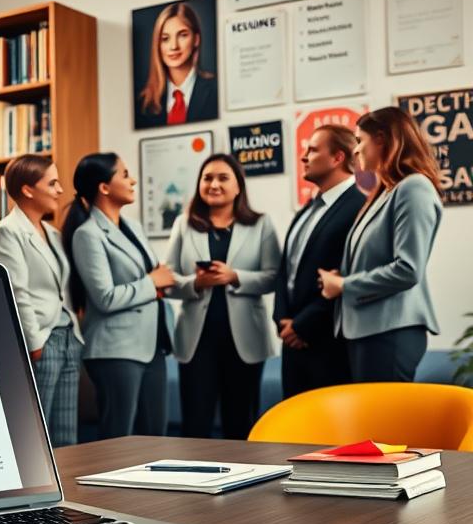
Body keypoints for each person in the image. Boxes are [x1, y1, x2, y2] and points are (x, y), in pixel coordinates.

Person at [318, 107, 443, 383]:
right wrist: (344, 278)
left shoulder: (414, 188)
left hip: (389, 333)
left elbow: (408, 269)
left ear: (382, 139)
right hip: (368, 332)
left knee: (386, 426)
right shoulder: (384, 192)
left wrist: (344, 286)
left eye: (360, 140)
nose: (356, 150)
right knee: (373, 425)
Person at [165, 154, 280, 439]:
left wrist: (235, 276)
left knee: (241, 424)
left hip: (245, 339)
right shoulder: (183, 224)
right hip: (196, 341)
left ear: (238, 186)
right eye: (207, 178)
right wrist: (197, 282)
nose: (214, 184)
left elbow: (273, 276)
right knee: (196, 424)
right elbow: (167, 280)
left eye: (222, 178)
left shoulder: (261, 224)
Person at [62, 153, 175, 439]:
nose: (133, 180)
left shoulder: (133, 227)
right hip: (115, 350)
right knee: (119, 440)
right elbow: (105, 297)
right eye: (125, 174)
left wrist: (194, 283)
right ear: (104, 187)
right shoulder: (87, 235)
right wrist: (152, 283)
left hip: (152, 344)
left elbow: (157, 275)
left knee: (156, 438)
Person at [0, 155, 83, 446]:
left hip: (68, 336)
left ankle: (68, 491)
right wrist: (35, 344)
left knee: (67, 434)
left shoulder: (52, 233)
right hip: (41, 339)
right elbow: (16, 292)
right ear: (28, 190)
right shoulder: (8, 231)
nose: (60, 190)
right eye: (52, 183)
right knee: (37, 437)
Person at [273, 125, 365, 398]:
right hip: (291, 342)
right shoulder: (309, 208)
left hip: (328, 344)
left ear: (338, 158)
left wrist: (302, 326)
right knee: (295, 436)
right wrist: (282, 319)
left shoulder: (359, 207)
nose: (303, 156)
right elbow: (285, 271)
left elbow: (345, 277)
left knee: (330, 438)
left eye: (312, 150)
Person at [137, 2, 218, 128]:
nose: (174, 46)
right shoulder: (144, 102)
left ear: (196, 39)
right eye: (165, 39)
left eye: (182, 35)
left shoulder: (216, 89)